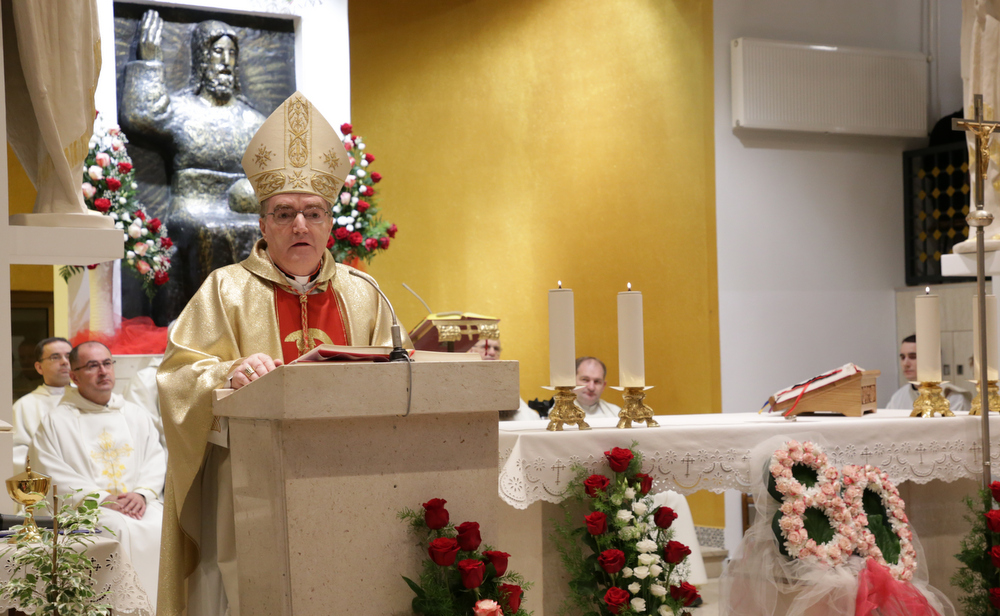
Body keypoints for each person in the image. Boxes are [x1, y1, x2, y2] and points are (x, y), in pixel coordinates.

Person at [156, 91, 397, 616]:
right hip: (251, 481)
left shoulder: (364, 292)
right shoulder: (226, 289)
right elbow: (176, 376)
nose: (300, 226)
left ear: (330, 223)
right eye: (284, 213)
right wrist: (229, 371)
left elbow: (395, 372)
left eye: (313, 213)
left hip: (353, 470)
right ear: (262, 225)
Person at [120, 11, 269, 324]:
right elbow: (141, 115)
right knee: (207, 229)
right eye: (217, 52)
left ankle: (256, 322)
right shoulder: (182, 109)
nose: (225, 61)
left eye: (231, 53)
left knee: (265, 231)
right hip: (191, 205)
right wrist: (149, 62)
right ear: (202, 57)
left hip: (240, 204)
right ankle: (209, 324)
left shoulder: (253, 121)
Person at [31, 341, 166, 606]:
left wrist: (141, 493)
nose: (103, 371)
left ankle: (159, 607)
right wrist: (102, 498)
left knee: (162, 523)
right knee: (116, 527)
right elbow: (50, 471)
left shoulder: (135, 414)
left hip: (137, 504)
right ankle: (119, 608)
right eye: (92, 366)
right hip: (88, 508)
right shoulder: (56, 421)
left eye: (107, 363)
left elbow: (155, 458)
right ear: (74, 376)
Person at [11, 337, 72, 473]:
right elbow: (16, 454)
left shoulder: (89, 400)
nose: (64, 362)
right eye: (55, 357)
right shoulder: (24, 406)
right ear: (39, 367)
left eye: (69, 356)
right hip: (49, 479)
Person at [886, 334, 968, 411]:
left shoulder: (952, 397)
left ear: (930, 359)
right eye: (903, 357)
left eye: (913, 357)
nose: (905, 364)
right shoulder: (898, 397)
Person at [469, 337, 539, 420]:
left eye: (496, 349)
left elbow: (525, 415)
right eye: (486, 347)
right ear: (471, 350)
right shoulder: (462, 377)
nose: (492, 352)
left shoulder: (504, 377)